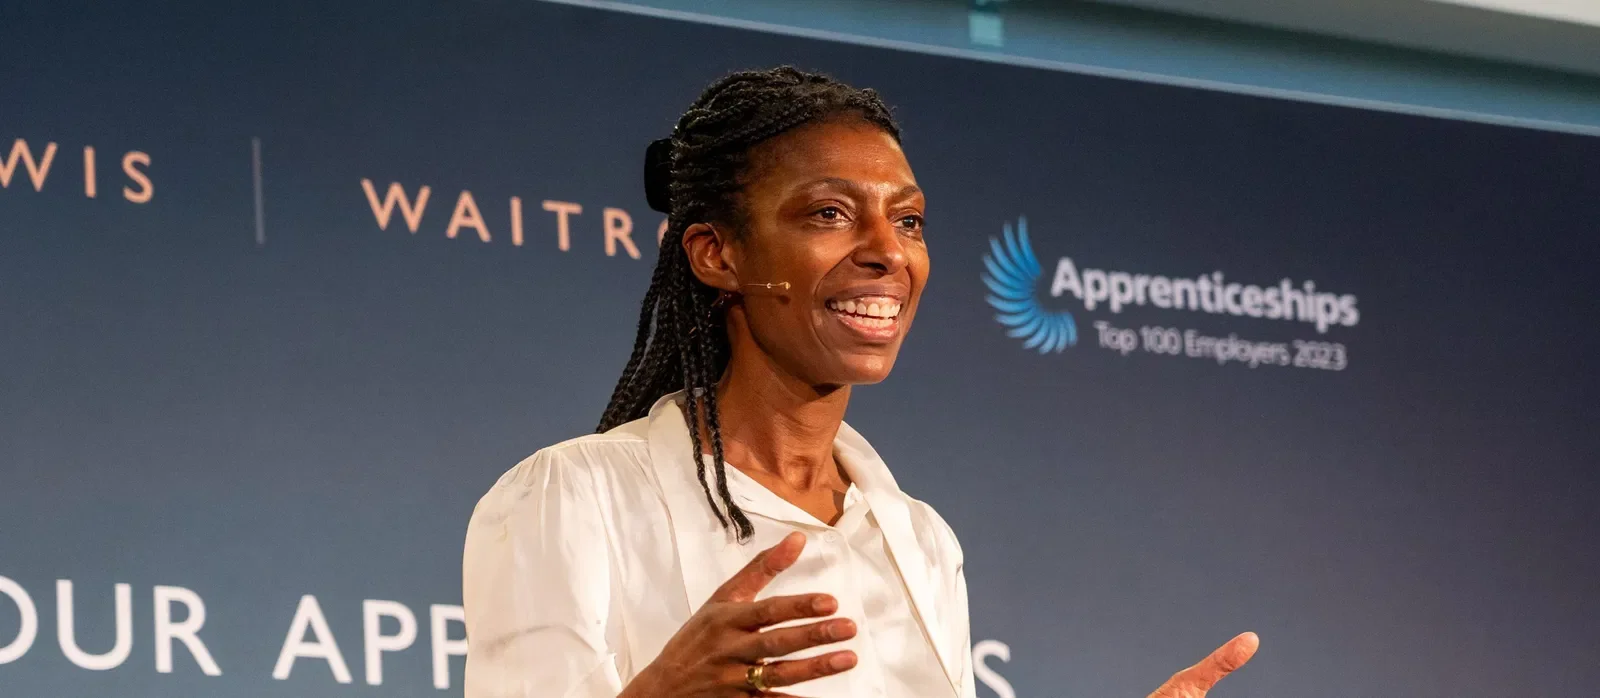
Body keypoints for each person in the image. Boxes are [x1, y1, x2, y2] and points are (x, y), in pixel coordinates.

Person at [461, 66, 1258, 698]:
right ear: (716, 254)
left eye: (907, 221)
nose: (889, 252)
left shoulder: (918, 538)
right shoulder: (574, 496)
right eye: (829, 214)